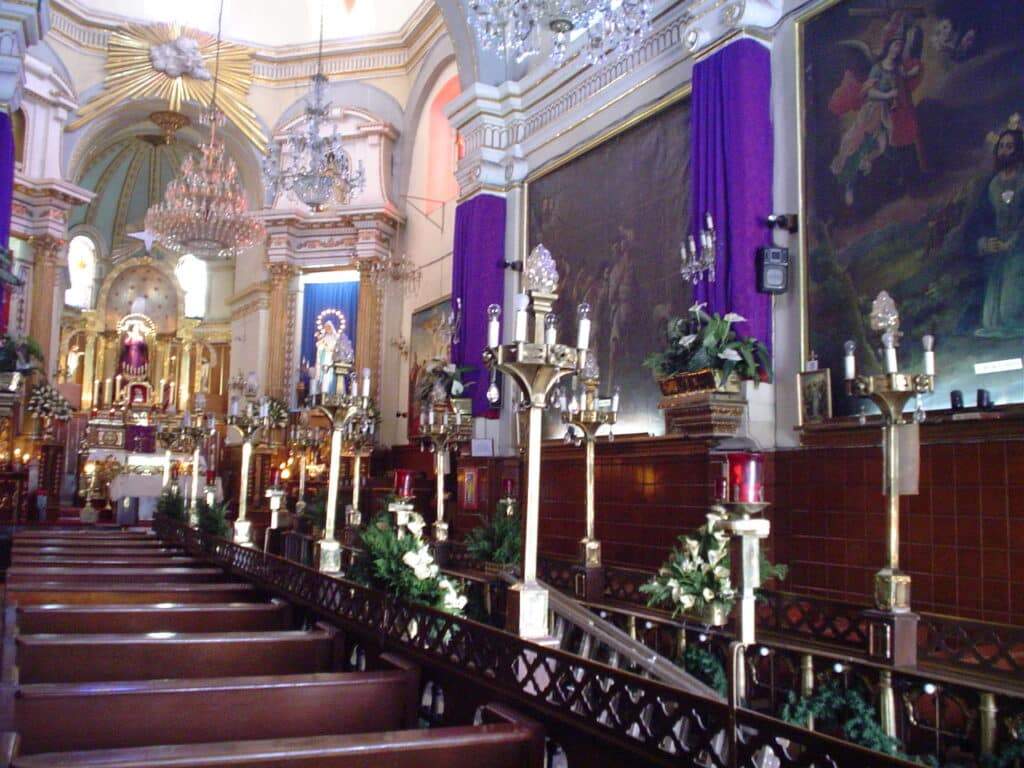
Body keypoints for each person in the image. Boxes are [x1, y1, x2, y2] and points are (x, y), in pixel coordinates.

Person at [965, 129, 1024, 338]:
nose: (1004, 151)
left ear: (1018, 150)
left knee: (1009, 313)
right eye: (1001, 147)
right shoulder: (992, 184)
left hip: (1020, 250)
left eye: (1010, 147)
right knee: (990, 319)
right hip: (999, 252)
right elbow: (979, 221)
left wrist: (1013, 241)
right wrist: (986, 242)